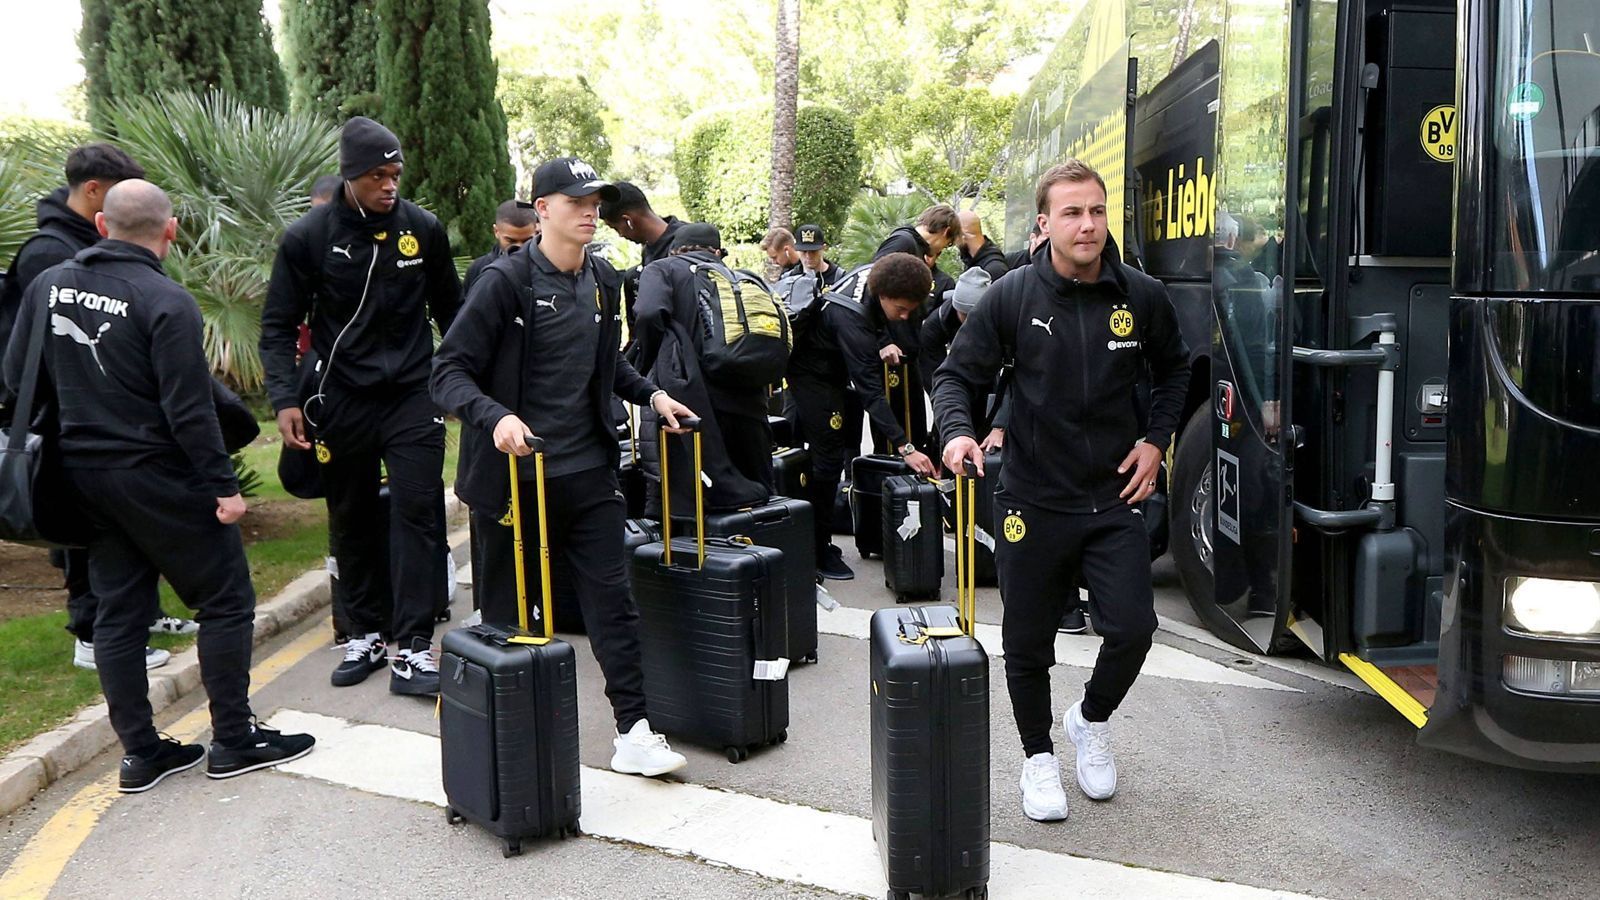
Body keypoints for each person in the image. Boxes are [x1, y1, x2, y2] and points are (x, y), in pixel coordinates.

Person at [3, 180, 316, 792]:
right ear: (169, 232)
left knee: (118, 612)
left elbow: (17, 377)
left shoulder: (48, 284)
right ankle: (233, 739)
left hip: (81, 479)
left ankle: (142, 753)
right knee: (225, 600)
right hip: (157, 478)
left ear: (100, 226)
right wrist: (224, 487)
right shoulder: (165, 299)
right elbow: (189, 410)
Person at [933, 159, 1189, 823]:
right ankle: (1037, 756)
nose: (1088, 224)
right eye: (1073, 213)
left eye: (1097, 211)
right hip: (1031, 498)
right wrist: (959, 435)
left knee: (1134, 627)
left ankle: (1090, 720)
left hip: (1111, 499)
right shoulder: (1013, 296)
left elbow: (1176, 370)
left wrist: (1156, 440)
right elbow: (955, 378)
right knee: (1026, 642)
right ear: (1044, 224)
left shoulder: (1141, 296)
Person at [432, 156, 696, 779]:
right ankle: (497, 747)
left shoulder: (604, 280)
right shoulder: (504, 283)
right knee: (506, 620)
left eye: (596, 201)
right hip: (512, 484)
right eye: (575, 200)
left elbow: (606, 366)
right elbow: (447, 374)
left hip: (586, 472)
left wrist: (652, 395)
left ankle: (634, 730)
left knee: (614, 604)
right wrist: (496, 417)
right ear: (541, 209)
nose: (589, 210)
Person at [260, 116, 461, 696]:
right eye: (377, 176)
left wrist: (457, 383)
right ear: (351, 176)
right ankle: (365, 634)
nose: (389, 186)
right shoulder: (309, 238)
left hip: (410, 397)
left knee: (418, 513)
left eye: (395, 174)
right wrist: (283, 398)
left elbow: (455, 316)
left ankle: (415, 647)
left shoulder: (422, 230)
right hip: (339, 399)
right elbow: (277, 326)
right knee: (349, 515)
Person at [0, 143, 191, 671]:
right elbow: (36, 356)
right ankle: (90, 634)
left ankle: (139, 615)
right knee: (83, 539)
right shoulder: (48, 252)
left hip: (108, 419)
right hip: (66, 421)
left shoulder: (87, 243)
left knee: (124, 534)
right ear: (92, 192)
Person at [788, 252, 939, 581]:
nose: (903, 317)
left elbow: (881, 322)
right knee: (827, 461)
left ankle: (812, 539)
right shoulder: (852, 321)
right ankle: (816, 549)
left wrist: (885, 339)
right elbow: (872, 393)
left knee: (823, 456)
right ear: (883, 294)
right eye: (900, 308)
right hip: (813, 375)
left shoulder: (876, 275)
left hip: (831, 367)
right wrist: (906, 447)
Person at [630, 222, 774, 505]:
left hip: (691, 399)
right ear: (718, 251)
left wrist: (645, 359)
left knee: (694, 498)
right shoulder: (739, 278)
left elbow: (647, 313)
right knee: (756, 497)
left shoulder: (662, 269)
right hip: (748, 399)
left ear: (675, 249)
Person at [464, 200, 539, 295]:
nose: (519, 247)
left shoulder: (547, 267)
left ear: (536, 231)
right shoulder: (478, 268)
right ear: (496, 231)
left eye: (527, 241)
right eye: (511, 241)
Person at [958, 210, 1011, 281]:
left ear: (963, 235)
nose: (954, 242)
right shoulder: (972, 262)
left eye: (953, 236)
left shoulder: (995, 269)